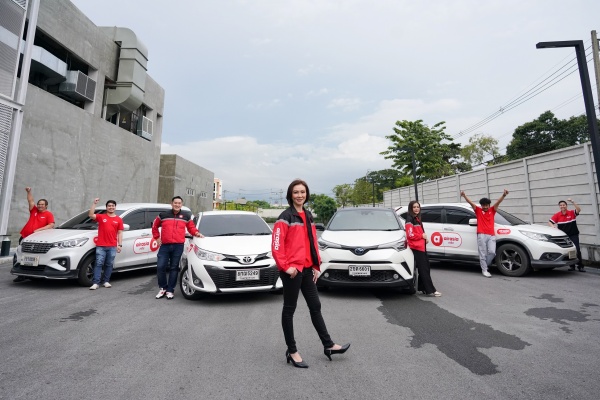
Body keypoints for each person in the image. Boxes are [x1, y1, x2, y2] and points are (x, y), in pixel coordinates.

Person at [271, 179, 350, 368]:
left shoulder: (308, 215)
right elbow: (276, 245)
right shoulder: (285, 217)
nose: (300, 195)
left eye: (302, 192)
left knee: (315, 306)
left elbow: (312, 242)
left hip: (307, 268)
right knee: (289, 309)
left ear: (306, 194)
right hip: (292, 271)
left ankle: (328, 345)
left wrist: (316, 265)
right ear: (290, 195)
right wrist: (285, 267)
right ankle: (292, 351)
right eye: (296, 192)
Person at [152, 196, 203, 300]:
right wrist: (156, 237)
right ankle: (163, 288)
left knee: (174, 268)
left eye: (179, 203)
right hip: (165, 246)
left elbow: (191, 228)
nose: (177, 205)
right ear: (172, 204)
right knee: (160, 267)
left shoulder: (186, 216)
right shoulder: (163, 215)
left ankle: (170, 290)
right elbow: (154, 226)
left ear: (181, 204)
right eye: (175, 203)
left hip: (178, 246)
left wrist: (197, 233)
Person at [461, 189, 509, 278]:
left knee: (492, 252)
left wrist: (504, 195)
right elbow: (471, 203)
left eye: (487, 205)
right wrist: (464, 196)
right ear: (481, 205)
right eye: (483, 205)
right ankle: (484, 270)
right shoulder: (478, 211)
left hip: (491, 235)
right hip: (481, 234)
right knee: (482, 253)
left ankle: (485, 265)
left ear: (489, 205)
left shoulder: (492, 210)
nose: (485, 207)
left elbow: (498, 202)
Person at [14, 187, 55, 282]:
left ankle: (32, 273)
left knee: (32, 257)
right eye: (39, 204)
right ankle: (21, 275)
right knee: (21, 256)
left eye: (42, 204)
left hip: (36, 239)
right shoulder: (34, 211)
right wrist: (29, 192)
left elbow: (51, 225)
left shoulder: (48, 214)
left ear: (46, 206)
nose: (40, 206)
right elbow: (30, 201)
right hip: (24, 237)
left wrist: (38, 230)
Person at [405, 200, 441, 297]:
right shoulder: (410, 219)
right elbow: (410, 234)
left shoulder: (416, 218)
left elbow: (418, 232)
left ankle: (423, 288)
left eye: (418, 207)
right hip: (416, 248)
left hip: (421, 247)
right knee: (424, 269)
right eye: (414, 207)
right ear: (411, 208)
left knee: (426, 268)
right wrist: (421, 236)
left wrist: (425, 239)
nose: (416, 209)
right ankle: (430, 290)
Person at [88, 198, 124, 290]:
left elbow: (120, 233)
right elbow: (91, 215)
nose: (111, 207)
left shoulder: (119, 219)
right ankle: (96, 283)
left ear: (115, 207)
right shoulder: (101, 217)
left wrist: (120, 245)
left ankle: (106, 281)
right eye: (109, 206)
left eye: (112, 206)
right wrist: (94, 204)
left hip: (112, 246)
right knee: (98, 264)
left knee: (109, 264)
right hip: (101, 245)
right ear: (106, 207)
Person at [549, 198, 584, 272]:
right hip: (564, 237)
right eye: (561, 205)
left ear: (566, 205)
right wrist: (553, 226)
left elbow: (579, 210)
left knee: (577, 250)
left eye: (563, 205)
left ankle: (580, 266)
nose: (562, 206)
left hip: (573, 235)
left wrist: (573, 201)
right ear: (559, 206)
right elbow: (550, 222)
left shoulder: (571, 213)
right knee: (569, 251)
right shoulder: (557, 215)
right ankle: (572, 266)